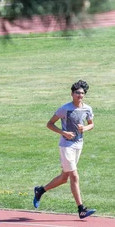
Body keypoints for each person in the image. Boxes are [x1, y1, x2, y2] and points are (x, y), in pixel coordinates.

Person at [32, 80, 96, 219]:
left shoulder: (87, 109)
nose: (80, 95)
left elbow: (91, 124)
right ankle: (81, 209)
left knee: (64, 178)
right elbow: (50, 124)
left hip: (79, 145)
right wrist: (64, 133)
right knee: (74, 176)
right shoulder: (65, 109)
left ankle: (40, 190)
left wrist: (84, 128)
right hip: (66, 146)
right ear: (72, 94)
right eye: (77, 93)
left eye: (82, 93)